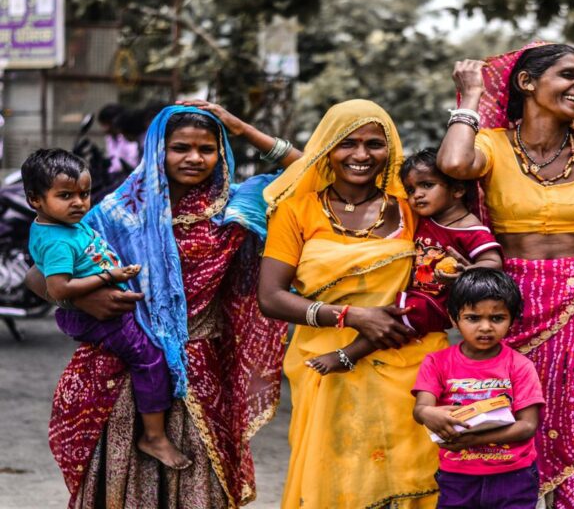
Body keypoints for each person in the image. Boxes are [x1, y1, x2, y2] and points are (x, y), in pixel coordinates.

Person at [27, 103, 296, 507]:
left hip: (202, 373)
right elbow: (37, 276)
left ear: (222, 152)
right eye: (180, 148)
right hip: (124, 370)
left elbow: (310, 171)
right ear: (158, 150)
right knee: (126, 481)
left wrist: (241, 127)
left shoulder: (238, 206)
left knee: (198, 481)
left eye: (207, 149)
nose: (193, 158)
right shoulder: (121, 211)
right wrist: (88, 297)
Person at [438, 43, 574, 508]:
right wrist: (469, 98)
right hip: (512, 309)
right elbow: (451, 165)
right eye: (568, 75)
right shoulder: (490, 144)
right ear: (527, 83)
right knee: (505, 426)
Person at [258, 100, 447, 508]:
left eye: (374, 144)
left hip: (408, 363)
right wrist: (350, 316)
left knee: (408, 478)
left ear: (390, 150)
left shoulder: (413, 209)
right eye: (348, 143)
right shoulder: (296, 211)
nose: (361, 155)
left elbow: (435, 280)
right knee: (337, 479)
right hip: (327, 364)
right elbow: (270, 297)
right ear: (327, 148)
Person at [22, 148, 190, 470]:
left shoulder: (71, 224)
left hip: (108, 310)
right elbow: (52, 284)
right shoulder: (61, 236)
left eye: (84, 194)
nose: (79, 203)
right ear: (35, 200)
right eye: (66, 195)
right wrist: (108, 277)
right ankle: (154, 436)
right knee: (150, 358)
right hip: (103, 317)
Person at [306, 147, 502, 375]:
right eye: (411, 189)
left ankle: (348, 355)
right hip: (417, 292)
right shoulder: (424, 218)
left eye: (427, 185)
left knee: (395, 319)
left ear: (457, 190)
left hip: (436, 302)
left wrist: (467, 274)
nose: (417, 194)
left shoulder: (469, 227)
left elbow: (493, 261)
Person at [412, 268, 545, 509]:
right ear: (454, 319)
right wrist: (425, 413)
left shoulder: (520, 365)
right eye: (473, 318)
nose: (485, 327)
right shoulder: (436, 362)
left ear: (512, 320)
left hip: (514, 476)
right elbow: (421, 408)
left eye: (497, 318)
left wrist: (471, 439)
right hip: (457, 476)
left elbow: (527, 426)